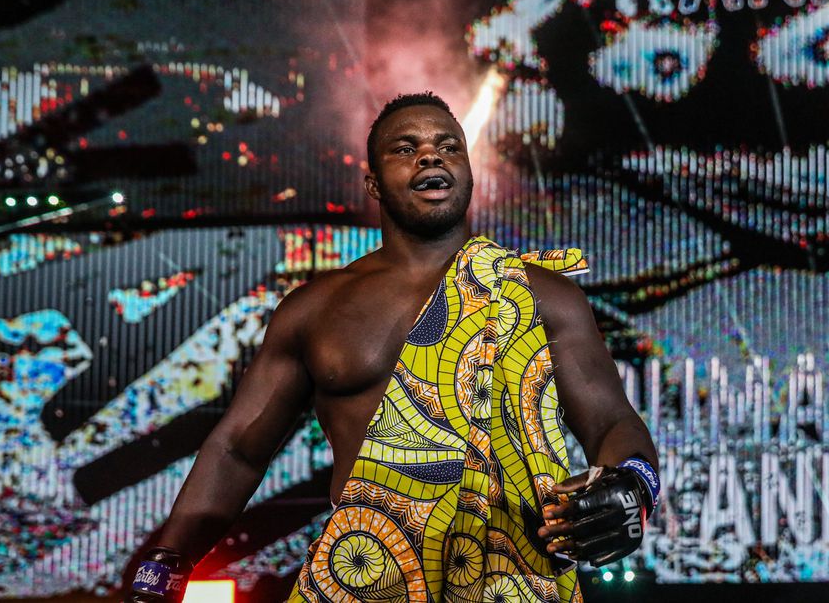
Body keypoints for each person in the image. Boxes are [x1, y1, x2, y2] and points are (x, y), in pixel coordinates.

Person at [124, 93, 660, 602]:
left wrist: (633, 485)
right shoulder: (315, 309)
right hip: (365, 575)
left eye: (448, 146)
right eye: (406, 148)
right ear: (373, 183)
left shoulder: (542, 295)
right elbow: (238, 450)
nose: (431, 155)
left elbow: (611, 421)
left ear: (468, 171)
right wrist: (168, 560)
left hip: (510, 577)